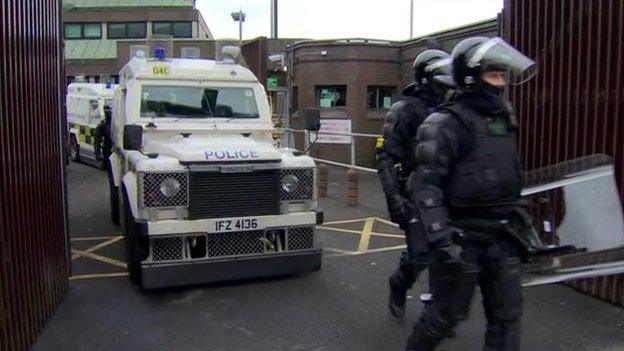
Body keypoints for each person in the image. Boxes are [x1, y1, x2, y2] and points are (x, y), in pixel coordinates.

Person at [404, 37, 541, 351]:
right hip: (461, 238)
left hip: (502, 236)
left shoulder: (504, 119)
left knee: (507, 319)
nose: (501, 82)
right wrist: (441, 241)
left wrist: (520, 215)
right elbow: (425, 186)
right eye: (494, 75)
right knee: (443, 317)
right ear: (471, 76)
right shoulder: (444, 124)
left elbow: (504, 174)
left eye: (503, 75)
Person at [375, 49, 454, 318]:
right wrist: (395, 200)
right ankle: (399, 283)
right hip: (415, 191)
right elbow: (385, 156)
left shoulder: (452, 108)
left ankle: (437, 311)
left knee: (445, 253)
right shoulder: (405, 110)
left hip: (447, 192)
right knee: (420, 254)